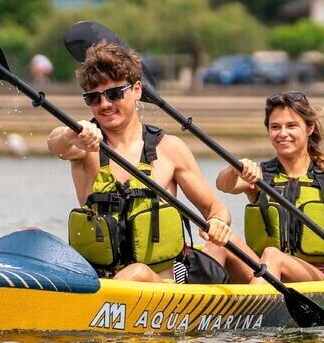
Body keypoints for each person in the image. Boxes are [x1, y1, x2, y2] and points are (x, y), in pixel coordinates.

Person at [48, 42, 238, 282]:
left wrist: (219, 222)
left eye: (114, 94)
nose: (104, 104)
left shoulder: (169, 149)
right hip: (100, 284)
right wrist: (70, 134)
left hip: (161, 286)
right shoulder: (85, 146)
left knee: (137, 272)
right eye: (93, 98)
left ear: (137, 89)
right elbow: (56, 144)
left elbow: (215, 208)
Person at [216, 91, 324, 283]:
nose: (282, 134)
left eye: (291, 126)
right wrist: (235, 168)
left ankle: (258, 309)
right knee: (220, 238)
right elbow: (223, 185)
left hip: (319, 281)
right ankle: (198, 306)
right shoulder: (259, 176)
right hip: (265, 272)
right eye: (275, 127)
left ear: (309, 128)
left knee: (273, 255)